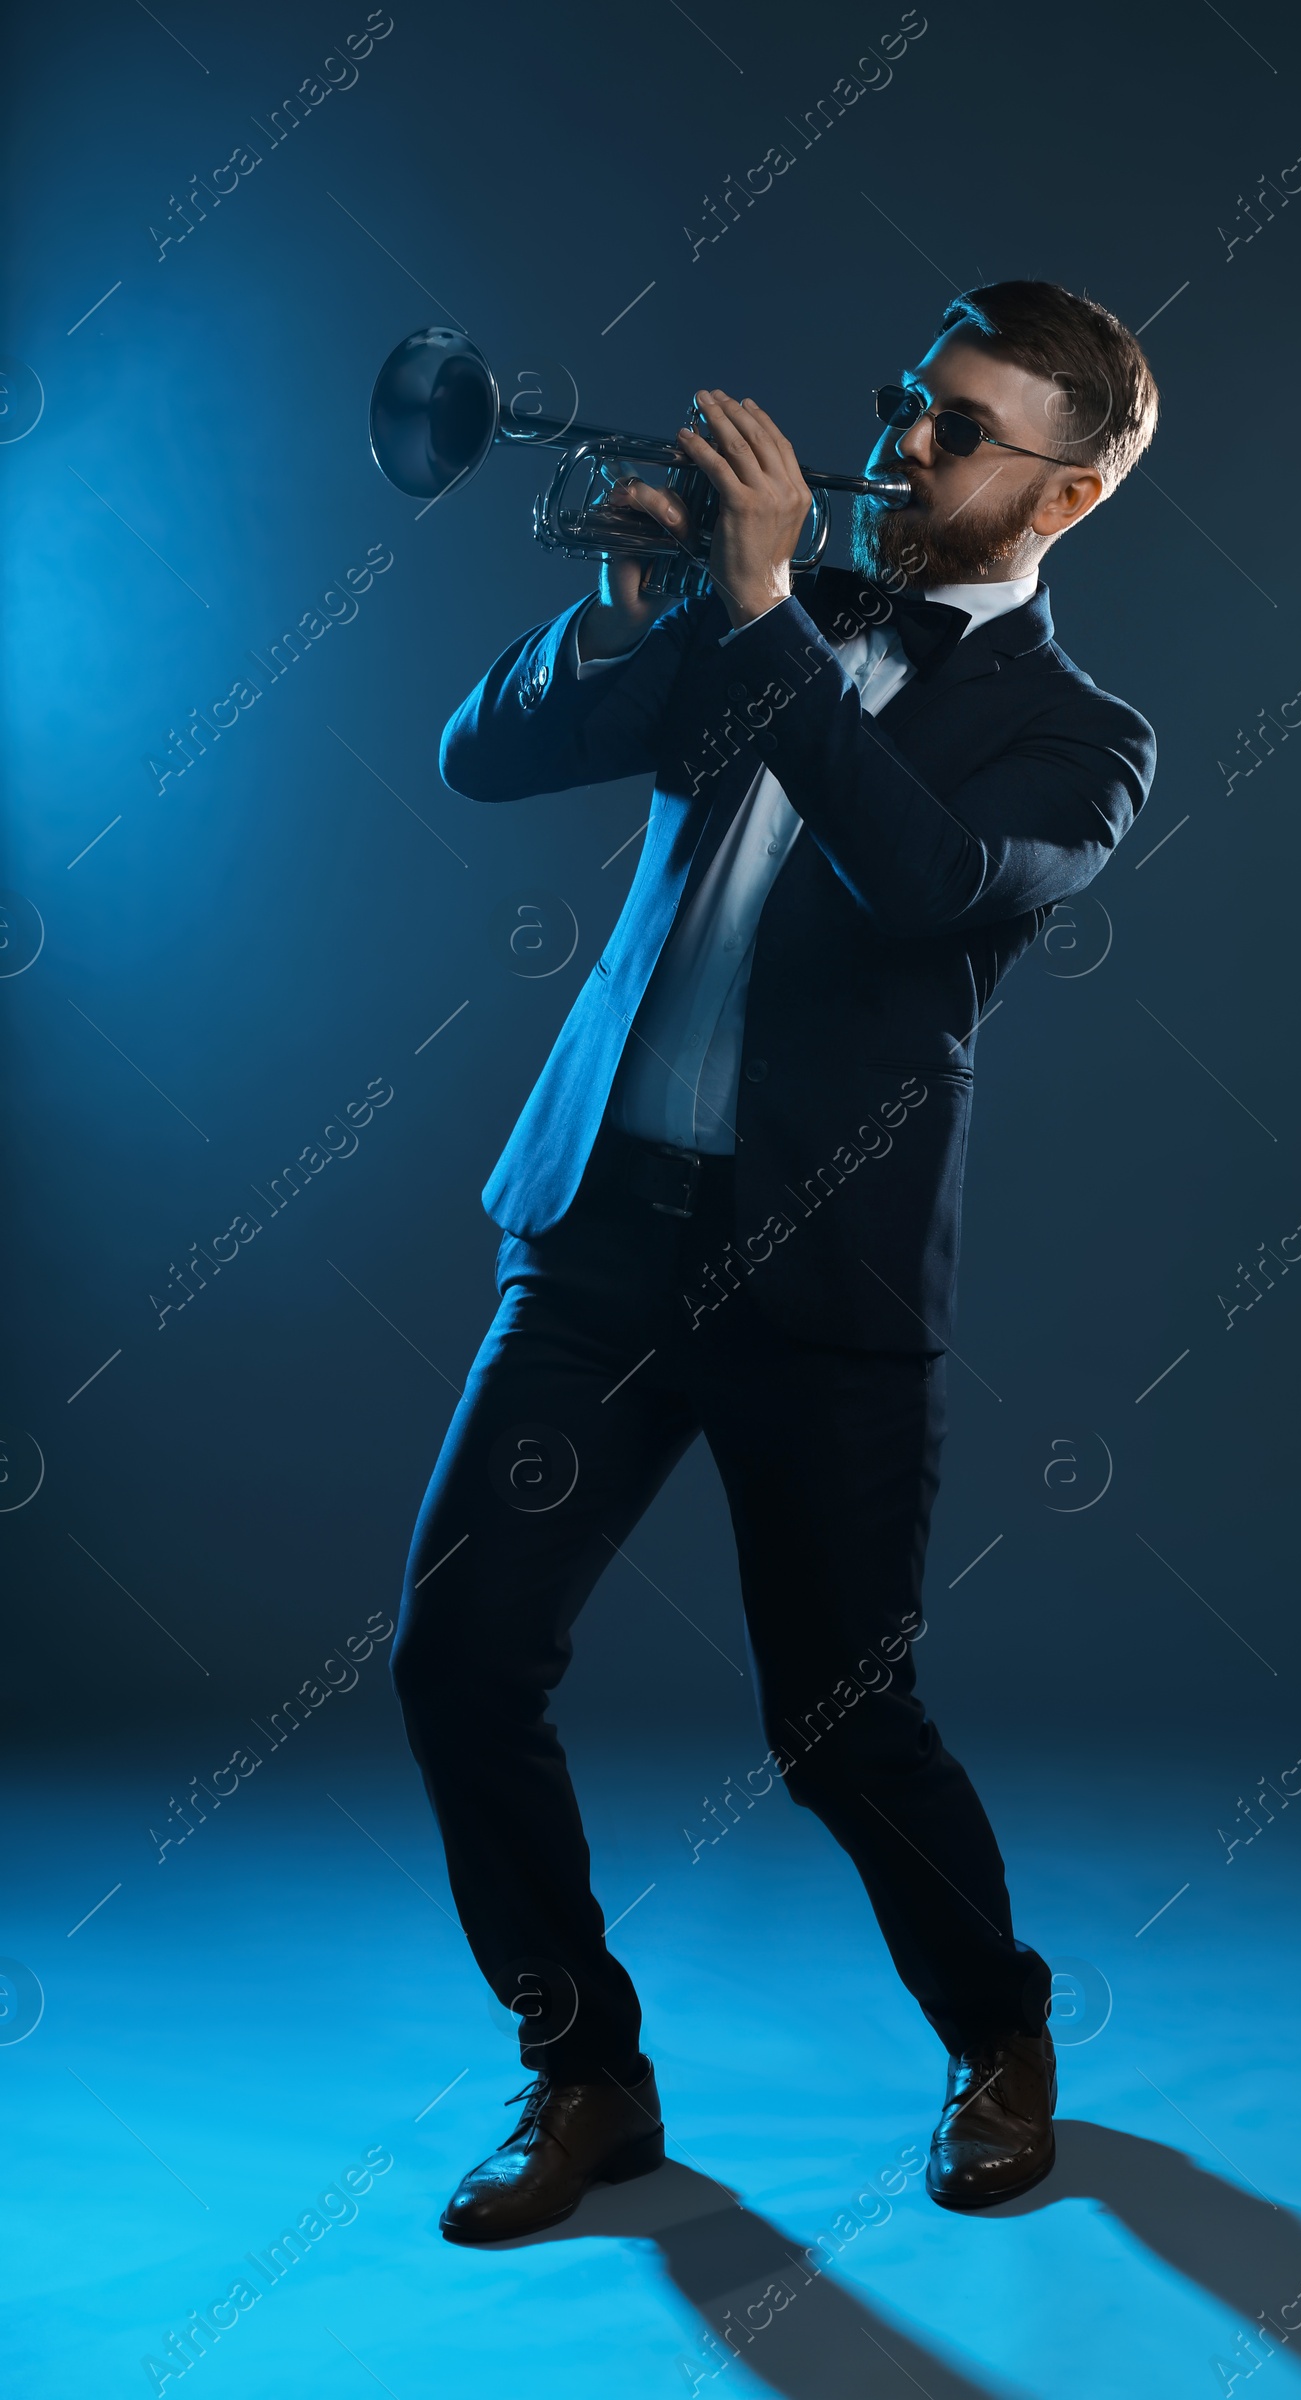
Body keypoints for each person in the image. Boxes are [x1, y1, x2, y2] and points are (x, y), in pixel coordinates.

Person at [391, 280, 1159, 2242]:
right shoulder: (772, 617)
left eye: (960, 431)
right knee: (459, 1664)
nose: (899, 447)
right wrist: (638, 609)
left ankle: (994, 2030)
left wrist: (752, 619)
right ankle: (583, 2077)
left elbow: (920, 885)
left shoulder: (1078, 740)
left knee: (835, 1725)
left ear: (1064, 497)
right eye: (902, 401)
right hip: (599, 1234)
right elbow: (483, 761)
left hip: (815, 1284)